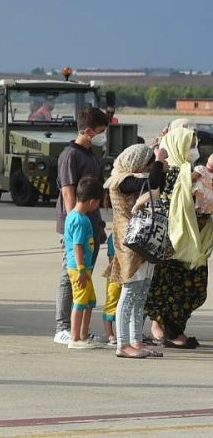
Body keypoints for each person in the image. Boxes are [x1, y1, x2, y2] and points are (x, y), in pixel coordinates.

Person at [145, 121, 213, 349]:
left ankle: (171, 329)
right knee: (177, 288)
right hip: (174, 242)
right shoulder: (171, 172)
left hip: (189, 242)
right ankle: (171, 332)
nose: (195, 149)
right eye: (190, 144)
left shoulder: (188, 172)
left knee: (192, 288)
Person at [51, 105, 108, 343]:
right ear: (87, 130)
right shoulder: (70, 155)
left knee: (85, 275)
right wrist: (73, 225)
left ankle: (80, 330)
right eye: (100, 130)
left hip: (92, 225)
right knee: (71, 274)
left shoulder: (92, 156)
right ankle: (63, 327)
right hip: (76, 226)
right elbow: (68, 194)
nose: (103, 135)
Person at [104, 142, 162, 359]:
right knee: (129, 293)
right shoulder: (121, 180)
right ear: (136, 162)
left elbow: (156, 183)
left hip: (143, 242)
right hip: (130, 244)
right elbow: (153, 180)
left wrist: (158, 163)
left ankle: (135, 341)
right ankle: (122, 343)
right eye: (146, 164)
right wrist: (159, 160)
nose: (148, 169)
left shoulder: (134, 179)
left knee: (141, 293)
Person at [64, 175, 105, 350]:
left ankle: (83, 334)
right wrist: (81, 269)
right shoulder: (80, 220)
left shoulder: (73, 215)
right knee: (80, 302)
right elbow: (78, 246)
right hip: (79, 268)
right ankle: (75, 338)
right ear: (92, 202)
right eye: (98, 203)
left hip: (84, 268)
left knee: (89, 301)